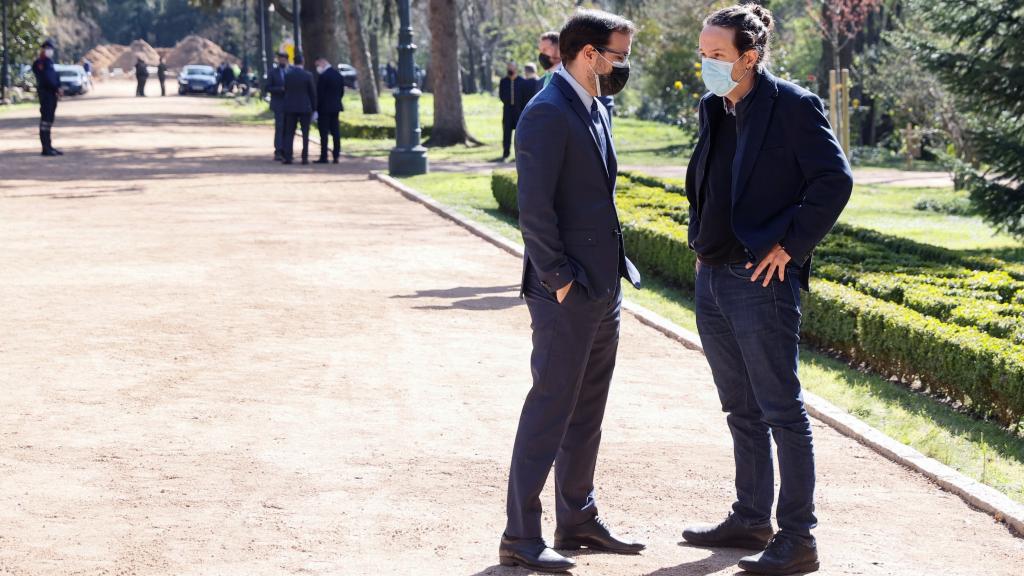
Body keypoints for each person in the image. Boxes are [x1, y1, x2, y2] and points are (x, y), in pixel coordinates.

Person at [679, 5, 853, 576]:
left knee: (781, 409)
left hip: (761, 280)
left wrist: (791, 246)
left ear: (749, 56)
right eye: (702, 55)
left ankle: (798, 539)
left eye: (717, 56)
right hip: (712, 275)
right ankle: (751, 516)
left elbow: (834, 180)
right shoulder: (714, 106)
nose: (706, 64)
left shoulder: (794, 106)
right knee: (740, 408)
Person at [500, 9, 643, 574]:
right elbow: (532, 211)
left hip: (604, 287)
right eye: (618, 57)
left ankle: (576, 518)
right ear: (587, 54)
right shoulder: (545, 113)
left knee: (587, 409)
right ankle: (519, 535)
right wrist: (560, 281)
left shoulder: (593, 106)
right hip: (567, 292)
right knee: (549, 408)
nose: (621, 67)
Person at [281, 52, 316, 165]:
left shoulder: (288, 75)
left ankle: (288, 156)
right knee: (305, 133)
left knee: (289, 133)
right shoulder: (308, 75)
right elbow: (312, 93)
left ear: (294, 62)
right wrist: (314, 108)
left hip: (290, 107)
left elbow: (285, 89)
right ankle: (304, 157)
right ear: (303, 62)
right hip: (305, 107)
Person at [33, 40, 62, 157]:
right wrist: (56, 87)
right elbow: (46, 78)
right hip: (46, 94)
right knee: (45, 120)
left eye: (51, 48)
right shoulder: (40, 63)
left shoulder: (49, 62)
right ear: (43, 49)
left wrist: (58, 87)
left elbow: (54, 77)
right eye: (47, 48)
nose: (50, 51)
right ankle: (45, 148)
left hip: (52, 94)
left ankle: (49, 146)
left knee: (49, 120)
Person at [314, 56, 345, 164]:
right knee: (336, 132)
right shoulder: (338, 75)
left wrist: (316, 108)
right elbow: (341, 92)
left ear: (322, 62)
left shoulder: (323, 76)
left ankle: (324, 156)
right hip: (335, 107)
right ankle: (336, 156)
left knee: (324, 133)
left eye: (317, 65)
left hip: (324, 109)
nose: (317, 67)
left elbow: (320, 94)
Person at [498, 62, 526, 161]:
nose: (510, 69)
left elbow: (524, 96)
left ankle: (520, 154)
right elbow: (501, 95)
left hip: (519, 110)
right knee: (506, 132)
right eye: (508, 67)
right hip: (507, 110)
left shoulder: (522, 81)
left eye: (511, 67)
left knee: (520, 132)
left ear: (515, 68)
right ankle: (506, 153)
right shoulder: (503, 81)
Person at [266, 51, 289, 161]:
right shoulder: (273, 72)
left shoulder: (290, 72)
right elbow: (268, 87)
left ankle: (286, 149)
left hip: (289, 104)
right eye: (280, 59)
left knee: (288, 128)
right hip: (278, 103)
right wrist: (280, 89)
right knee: (279, 127)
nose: (282, 61)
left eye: (284, 59)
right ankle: (278, 150)